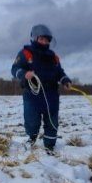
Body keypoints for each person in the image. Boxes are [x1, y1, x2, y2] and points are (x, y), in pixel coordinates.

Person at [11, 24, 72, 154]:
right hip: (32, 94)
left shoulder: (53, 57)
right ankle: (32, 138)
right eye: (42, 39)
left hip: (51, 95)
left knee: (52, 121)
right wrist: (24, 74)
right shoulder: (25, 53)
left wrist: (65, 80)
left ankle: (49, 146)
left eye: (47, 40)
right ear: (35, 38)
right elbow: (14, 69)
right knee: (32, 121)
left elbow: (59, 72)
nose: (44, 42)